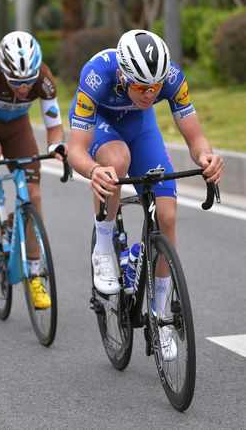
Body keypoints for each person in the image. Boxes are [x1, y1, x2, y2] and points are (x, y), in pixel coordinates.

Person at [68, 29, 224, 359]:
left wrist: (206, 157)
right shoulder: (97, 75)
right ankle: (104, 247)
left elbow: (195, 137)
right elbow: (75, 150)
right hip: (103, 127)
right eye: (141, 87)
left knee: (167, 216)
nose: (149, 94)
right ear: (123, 74)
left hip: (141, 129)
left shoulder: (171, 78)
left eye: (155, 87)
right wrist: (94, 171)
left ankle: (162, 313)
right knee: (117, 161)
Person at [0, 31, 67, 309]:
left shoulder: (43, 78)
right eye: (16, 81)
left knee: (34, 196)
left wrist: (56, 145)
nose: (23, 87)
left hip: (18, 127)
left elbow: (54, 126)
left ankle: (35, 274)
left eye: (28, 80)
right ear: (5, 71)